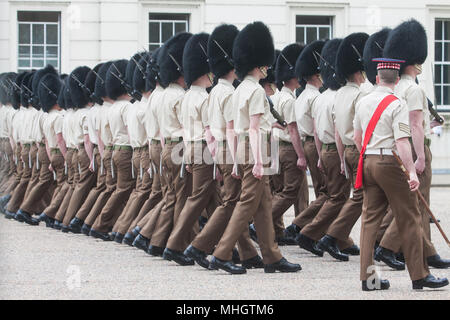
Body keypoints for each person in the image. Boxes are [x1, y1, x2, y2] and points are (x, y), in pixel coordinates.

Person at [210, 21, 301, 274]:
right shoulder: (258, 92)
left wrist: (239, 162)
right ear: (259, 65)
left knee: (263, 203)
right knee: (247, 203)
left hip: (244, 149)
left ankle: (272, 256)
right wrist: (259, 162)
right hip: (256, 148)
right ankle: (221, 253)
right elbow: (253, 129)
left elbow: (234, 129)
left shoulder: (239, 90)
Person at [354, 57, 448, 291]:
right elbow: (402, 141)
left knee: (369, 221)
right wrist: (411, 172)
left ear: (376, 78)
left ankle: (369, 279)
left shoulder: (363, 102)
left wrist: (370, 154)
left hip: (368, 160)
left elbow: (356, 138)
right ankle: (420, 275)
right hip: (390, 162)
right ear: (396, 79)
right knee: (410, 216)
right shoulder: (398, 103)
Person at [377, 19, 450, 269]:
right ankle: (387, 246)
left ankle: (426, 252)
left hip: (397, 148)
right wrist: (420, 157)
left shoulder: (394, 87)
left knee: (412, 203)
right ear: (416, 62)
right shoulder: (415, 90)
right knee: (416, 204)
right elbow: (416, 125)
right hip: (415, 147)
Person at [145, 32, 193, 254]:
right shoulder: (180, 97)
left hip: (166, 146)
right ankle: (178, 244)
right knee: (182, 198)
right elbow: (187, 128)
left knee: (171, 196)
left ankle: (157, 241)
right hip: (180, 148)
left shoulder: (161, 95)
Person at [89, 59, 136, 240]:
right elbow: (131, 133)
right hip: (125, 150)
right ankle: (103, 224)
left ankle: (113, 224)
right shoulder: (125, 107)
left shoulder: (112, 108)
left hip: (113, 149)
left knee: (118, 189)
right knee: (123, 189)